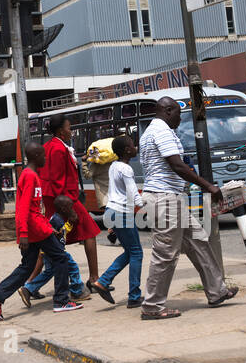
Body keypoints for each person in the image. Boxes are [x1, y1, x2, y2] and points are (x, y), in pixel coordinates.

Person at [140, 96, 237, 320]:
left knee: (198, 241)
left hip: (170, 198)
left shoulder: (152, 131)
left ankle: (217, 291)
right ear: (167, 110)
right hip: (164, 199)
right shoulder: (161, 131)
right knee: (165, 254)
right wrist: (208, 186)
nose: (180, 118)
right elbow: (177, 165)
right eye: (177, 113)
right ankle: (152, 306)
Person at [0, 142, 83, 318]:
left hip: (37, 229)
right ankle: (61, 300)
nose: (46, 158)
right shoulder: (29, 176)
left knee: (27, 266)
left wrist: (48, 227)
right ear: (36, 157)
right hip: (33, 231)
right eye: (44, 156)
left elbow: (34, 210)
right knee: (61, 258)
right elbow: (23, 209)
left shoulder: (30, 175)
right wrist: (23, 234)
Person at [36, 114, 113, 303]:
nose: (72, 132)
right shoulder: (57, 149)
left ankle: (30, 284)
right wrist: (67, 208)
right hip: (64, 199)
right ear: (61, 131)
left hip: (61, 198)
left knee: (50, 243)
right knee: (87, 233)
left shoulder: (54, 146)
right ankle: (93, 279)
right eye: (69, 128)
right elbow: (56, 179)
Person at [95, 135, 145, 308]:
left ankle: (103, 281)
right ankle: (134, 296)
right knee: (137, 253)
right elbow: (133, 194)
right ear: (126, 150)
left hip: (111, 211)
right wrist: (146, 202)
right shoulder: (126, 168)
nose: (135, 147)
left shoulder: (114, 166)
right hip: (122, 213)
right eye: (132, 145)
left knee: (130, 252)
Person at [84, 137, 118, 210]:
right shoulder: (112, 161)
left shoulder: (95, 165)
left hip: (105, 199)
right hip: (115, 196)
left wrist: (84, 163)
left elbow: (87, 176)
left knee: (111, 218)